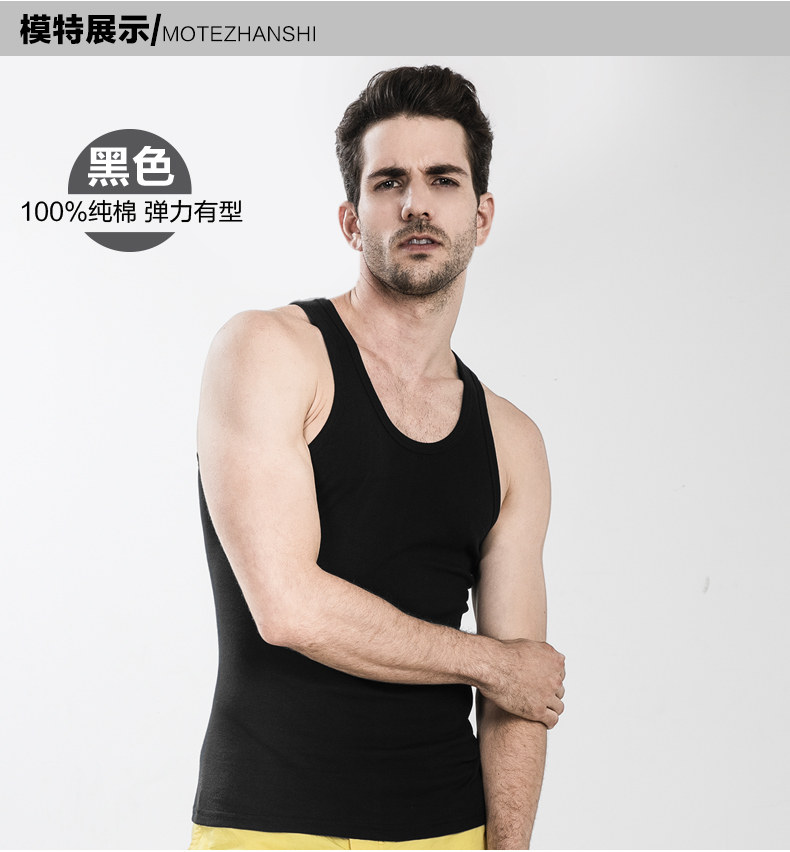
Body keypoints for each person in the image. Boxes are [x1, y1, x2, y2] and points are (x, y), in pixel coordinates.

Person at [189, 65, 566, 851]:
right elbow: (288, 607)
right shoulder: (270, 352)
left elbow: (521, 698)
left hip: (450, 829)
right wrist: (494, 664)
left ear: (482, 215)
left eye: (443, 180)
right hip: (272, 824)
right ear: (351, 219)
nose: (416, 203)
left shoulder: (512, 442)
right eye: (389, 181)